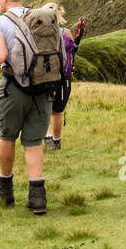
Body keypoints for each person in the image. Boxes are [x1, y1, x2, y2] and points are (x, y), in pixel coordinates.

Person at [0, 0, 64, 214]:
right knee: (33, 142)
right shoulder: (42, 17)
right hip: (43, 88)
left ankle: (5, 189)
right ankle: (37, 197)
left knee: (7, 136)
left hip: (14, 88)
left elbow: (0, 56)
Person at [45, 10, 86, 151]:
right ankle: (56, 141)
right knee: (57, 111)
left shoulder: (41, 34)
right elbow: (73, 52)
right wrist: (78, 38)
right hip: (65, 79)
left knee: (43, 109)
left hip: (46, 77)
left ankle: (48, 136)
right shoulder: (66, 32)